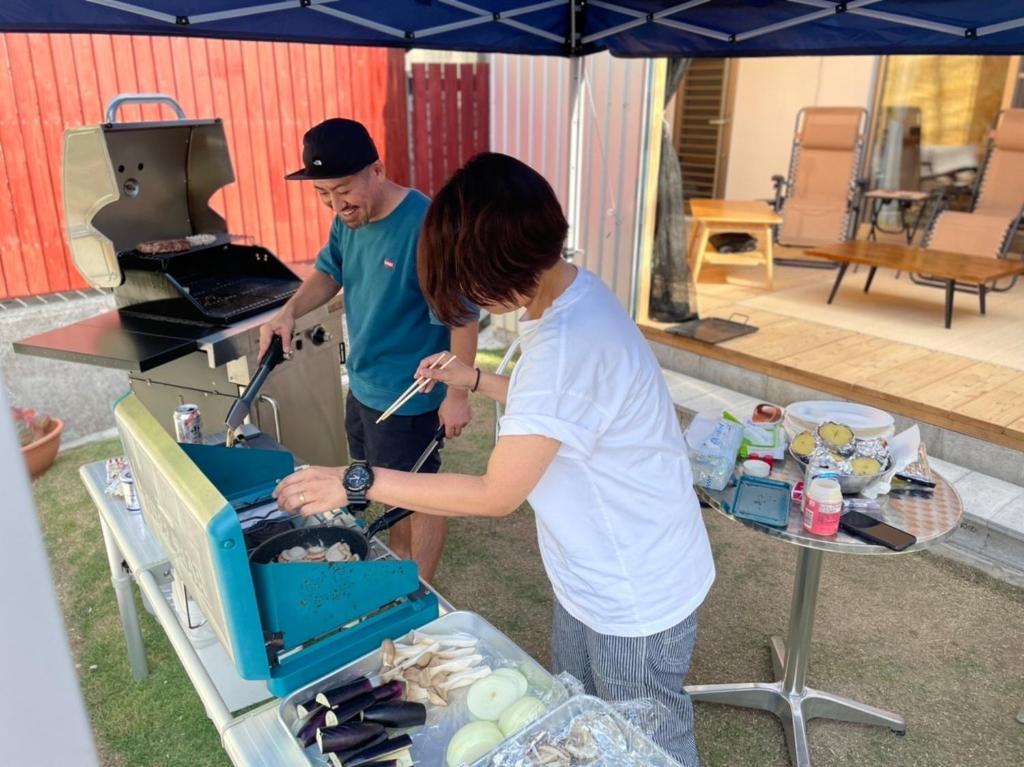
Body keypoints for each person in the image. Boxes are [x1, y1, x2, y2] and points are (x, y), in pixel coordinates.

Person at [274, 152, 714, 765]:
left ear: (496, 271)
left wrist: (359, 479)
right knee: (580, 710)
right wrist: (476, 380)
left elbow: (495, 493)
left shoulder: (567, 343)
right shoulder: (571, 293)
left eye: (465, 282)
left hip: (633, 583)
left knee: (648, 736)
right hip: (591, 567)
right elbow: (566, 410)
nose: (462, 299)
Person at [261, 118, 478, 582]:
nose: (336, 205)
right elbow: (328, 271)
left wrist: (456, 397)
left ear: (376, 169)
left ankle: (414, 591)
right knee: (381, 491)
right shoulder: (348, 221)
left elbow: (462, 315)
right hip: (363, 387)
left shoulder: (426, 226)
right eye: (323, 195)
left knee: (417, 497)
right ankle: (397, 576)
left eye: (343, 191)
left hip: (410, 395)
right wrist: (288, 313)